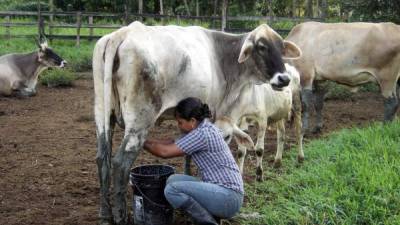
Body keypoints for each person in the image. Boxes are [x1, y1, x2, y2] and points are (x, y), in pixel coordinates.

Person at [143, 97, 244, 225]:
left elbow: (165, 152)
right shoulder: (203, 128)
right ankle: (212, 217)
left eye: (180, 122)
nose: (178, 126)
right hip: (224, 192)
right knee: (172, 180)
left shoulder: (201, 135)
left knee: (172, 189)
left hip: (228, 199)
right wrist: (143, 140)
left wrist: (139, 143)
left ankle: (208, 222)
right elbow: (172, 142)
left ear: (192, 121)